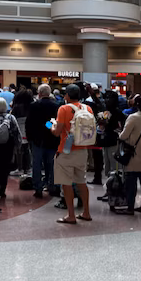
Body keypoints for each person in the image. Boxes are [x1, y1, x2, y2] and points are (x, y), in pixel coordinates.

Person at [51, 84, 93, 224]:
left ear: (67, 96)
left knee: (66, 183)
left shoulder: (63, 109)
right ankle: (86, 212)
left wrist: (49, 125)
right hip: (83, 149)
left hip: (66, 151)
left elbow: (57, 132)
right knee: (81, 181)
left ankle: (71, 215)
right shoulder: (87, 108)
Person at [115, 96, 141, 214]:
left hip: (133, 155)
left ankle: (130, 207)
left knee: (131, 183)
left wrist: (118, 134)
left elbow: (124, 136)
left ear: (137, 105)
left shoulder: (133, 117)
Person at [26, 84, 59, 198]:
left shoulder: (34, 106)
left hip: (37, 139)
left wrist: (30, 137)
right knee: (52, 164)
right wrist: (49, 127)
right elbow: (54, 122)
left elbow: (29, 123)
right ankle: (52, 186)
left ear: (39, 93)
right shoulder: (56, 106)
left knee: (37, 164)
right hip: (52, 138)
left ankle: (38, 188)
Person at [0, 97, 18, 200]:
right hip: (7, 148)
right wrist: (17, 148)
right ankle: (2, 191)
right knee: (5, 170)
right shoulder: (11, 118)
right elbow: (16, 133)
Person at [10, 88, 34, 176]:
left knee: (19, 151)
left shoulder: (16, 107)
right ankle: (28, 168)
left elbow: (12, 118)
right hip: (30, 131)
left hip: (19, 130)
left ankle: (20, 168)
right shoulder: (32, 106)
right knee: (28, 150)